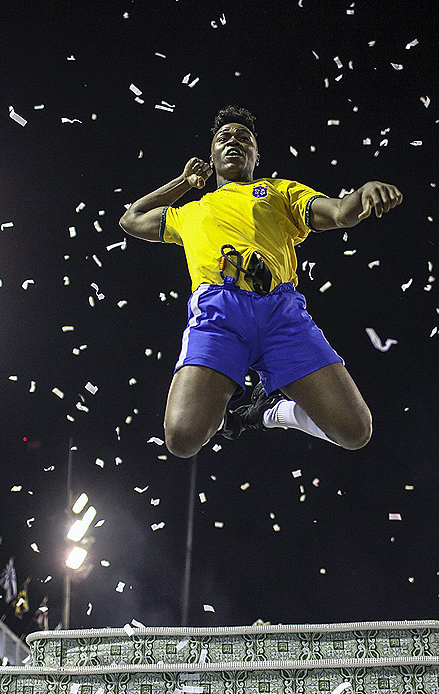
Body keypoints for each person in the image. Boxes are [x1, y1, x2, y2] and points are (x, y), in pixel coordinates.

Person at [119, 106, 402, 458]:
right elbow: (131, 219)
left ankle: (271, 412)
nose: (234, 142)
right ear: (212, 153)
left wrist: (365, 192)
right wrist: (184, 183)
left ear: (256, 154)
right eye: (224, 138)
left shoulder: (280, 191)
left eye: (244, 138)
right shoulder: (188, 212)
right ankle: (222, 417)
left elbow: (341, 212)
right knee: (182, 439)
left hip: (282, 312)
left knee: (356, 431)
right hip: (219, 312)